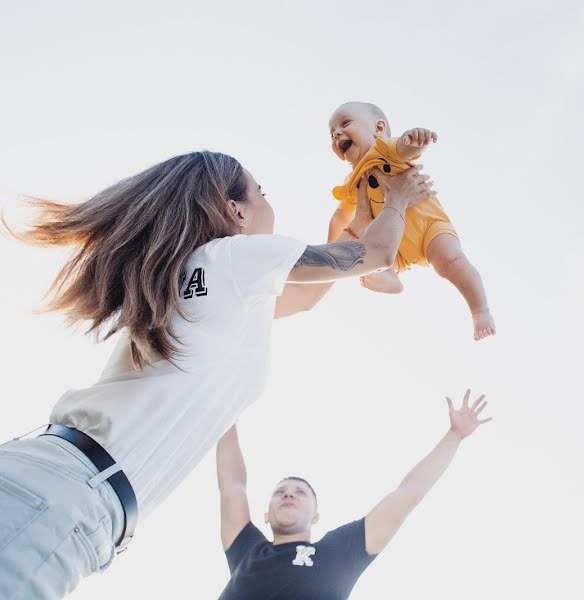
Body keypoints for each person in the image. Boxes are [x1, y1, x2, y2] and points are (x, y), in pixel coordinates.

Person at [0, 150, 433, 600]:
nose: (269, 203)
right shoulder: (235, 257)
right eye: (260, 193)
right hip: (68, 497)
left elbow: (305, 297)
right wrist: (397, 198)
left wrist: (362, 211)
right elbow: (377, 254)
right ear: (235, 211)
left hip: (53, 480)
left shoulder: (198, 270)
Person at [216, 390, 492, 599]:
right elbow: (232, 482)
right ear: (266, 514)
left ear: (316, 516)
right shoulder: (247, 549)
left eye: (300, 492)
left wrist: (454, 436)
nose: (289, 495)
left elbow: (407, 494)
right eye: (280, 492)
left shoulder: (337, 553)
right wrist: (225, 409)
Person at [328, 101, 496, 341]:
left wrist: (413, 140)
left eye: (345, 124)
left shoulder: (384, 149)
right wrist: (329, 250)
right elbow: (341, 217)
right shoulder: (353, 181)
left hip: (430, 228)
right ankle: (389, 277)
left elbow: (404, 150)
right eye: (331, 134)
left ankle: (480, 310)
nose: (336, 134)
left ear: (378, 128)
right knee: (371, 251)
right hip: (394, 245)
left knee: (451, 260)